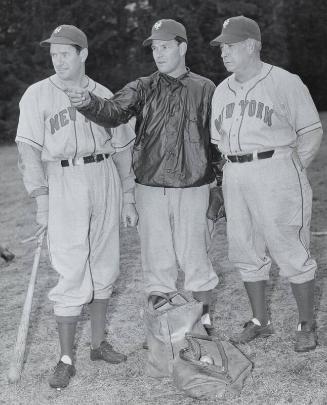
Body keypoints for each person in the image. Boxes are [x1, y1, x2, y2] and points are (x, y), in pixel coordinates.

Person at [66, 19, 222, 332]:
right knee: (157, 263)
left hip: (195, 186)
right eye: (154, 48)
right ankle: (162, 329)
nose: (158, 54)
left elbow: (216, 139)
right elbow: (113, 112)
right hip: (150, 189)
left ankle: (202, 325)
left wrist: (219, 185)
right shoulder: (143, 86)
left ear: (182, 47)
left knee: (197, 261)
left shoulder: (205, 88)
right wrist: (88, 103)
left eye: (165, 47)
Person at [15, 25, 138, 389]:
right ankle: (66, 358)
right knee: (71, 265)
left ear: (83, 54)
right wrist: (41, 199)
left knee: (105, 261)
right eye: (53, 54)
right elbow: (27, 151)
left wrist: (128, 194)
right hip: (63, 178)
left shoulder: (103, 94)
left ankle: (98, 344)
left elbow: (122, 148)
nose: (58, 59)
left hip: (103, 176)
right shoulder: (38, 94)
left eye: (65, 53)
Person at [209, 16, 323, 352]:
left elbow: (311, 131)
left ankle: (306, 324)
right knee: (244, 247)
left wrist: (292, 168)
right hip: (236, 170)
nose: (224, 52)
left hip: (276, 167)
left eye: (230, 45)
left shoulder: (285, 82)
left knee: (289, 246)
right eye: (222, 46)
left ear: (251, 45)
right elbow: (219, 138)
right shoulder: (221, 90)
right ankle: (260, 321)